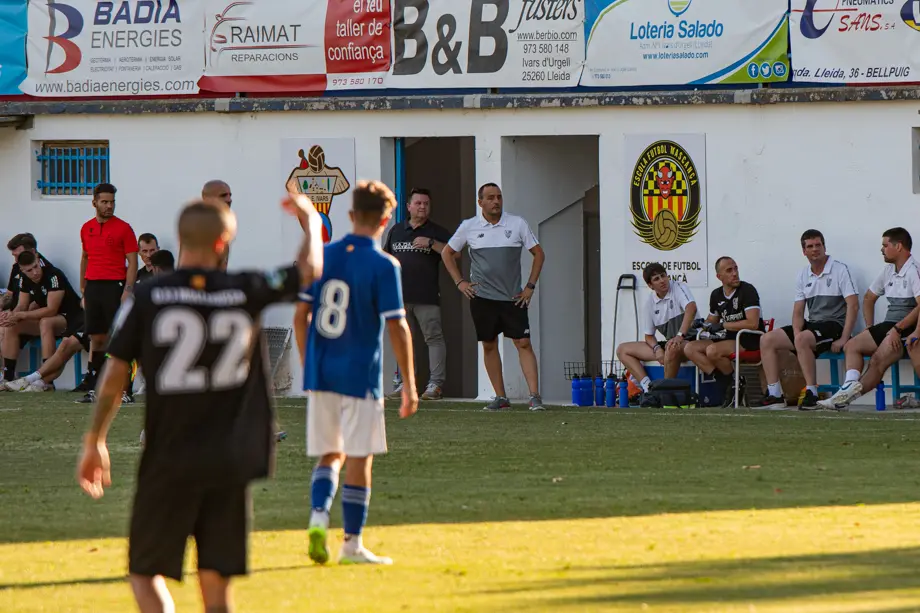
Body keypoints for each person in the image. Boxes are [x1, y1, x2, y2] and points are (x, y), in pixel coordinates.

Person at [76, 193, 324, 613]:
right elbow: (308, 270)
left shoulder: (149, 296)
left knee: (145, 571)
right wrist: (312, 222)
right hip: (230, 456)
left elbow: (115, 372)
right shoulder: (244, 288)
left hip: (170, 454)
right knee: (216, 584)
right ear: (223, 241)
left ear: (180, 237)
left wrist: (95, 438)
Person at [294, 179, 418, 566]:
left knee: (330, 454)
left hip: (322, 372)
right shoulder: (384, 264)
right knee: (360, 457)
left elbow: (301, 316)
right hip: (361, 374)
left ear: (350, 215)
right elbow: (397, 325)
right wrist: (410, 383)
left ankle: (318, 518)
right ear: (386, 220)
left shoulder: (323, 256)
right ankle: (351, 544)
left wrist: (307, 361)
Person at [441, 183, 546, 412]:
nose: (496, 201)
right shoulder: (469, 226)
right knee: (489, 344)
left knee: (523, 343)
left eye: (498, 197)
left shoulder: (517, 223)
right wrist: (460, 283)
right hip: (483, 298)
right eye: (490, 198)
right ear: (480, 202)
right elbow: (447, 253)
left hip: (513, 297)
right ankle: (500, 397)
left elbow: (539, 254)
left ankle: (535, 396)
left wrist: (529, 287)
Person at [819, 228, 920, 410]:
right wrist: (869, 326)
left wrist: (898, 329)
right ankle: (847, 388)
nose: (882, 249)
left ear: (898, 247)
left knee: (876, 361)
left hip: (907, 327)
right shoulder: (889, 270)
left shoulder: (914, 270)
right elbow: (868, 298)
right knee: (852, 345)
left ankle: (843, 399)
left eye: (885, 245)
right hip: (890, 325)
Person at [759, 230, 859, 410]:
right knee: (767, 339)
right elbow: (798, 312)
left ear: (824, 247)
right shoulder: (802, 274)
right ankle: (775, 394)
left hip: (834, 325)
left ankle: (811, 392)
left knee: (803, 338)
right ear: (804, 251)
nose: (815, 250)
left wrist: (844, 338)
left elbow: (853, 306)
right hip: (812, 325)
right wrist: (797, 334)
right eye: (810, 246)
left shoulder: (840, 269)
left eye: (818, 245)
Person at [383, 188, 452, 400]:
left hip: (427, 296)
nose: (422, 207)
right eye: (418, 203)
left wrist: (431, 243)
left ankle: (435, 385)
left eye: (426, 204)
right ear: (408, 206)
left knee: (434, 338)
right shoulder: (396, 230)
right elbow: (385, 259)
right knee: (404, 340)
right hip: (399, 297)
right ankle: (406, 384)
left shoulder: (436, 231)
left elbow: (454, 254)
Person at [77, 183, 138, 404]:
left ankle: (125, 389)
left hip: (115, 286)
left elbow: (132, 261)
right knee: (97, 338)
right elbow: (85, 257)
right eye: (104, 202)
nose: (109, 206)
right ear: (94, 202)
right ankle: (95, 387)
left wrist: (128, 289)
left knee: (120, 337)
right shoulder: (86, 228)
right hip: (93, 286)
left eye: (112, 202)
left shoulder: (124, 228)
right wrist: (83, 287)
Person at [682, 257, 764, 407]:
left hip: (748, 338)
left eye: (736, 268)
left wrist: (722, 325)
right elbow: (712, 320)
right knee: (689, 347)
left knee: (712, 350)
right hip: (728, 338)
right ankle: (730, 382)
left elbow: (753, 323)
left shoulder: (747, 290)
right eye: (729, 270)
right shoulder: (716, 295)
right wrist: (701, 325)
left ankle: (732, 384)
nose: (735, 273)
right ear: (719, 277)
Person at [0, 250, 82, 383]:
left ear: (38, 261)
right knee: (11, 325)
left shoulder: (53, 275)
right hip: (50, 320)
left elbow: (51, 309)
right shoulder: (23, 278)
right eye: (29, 270)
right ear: (22, 270)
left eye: (35, 267)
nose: (35, 272)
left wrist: (21, 314)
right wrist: (11, 316)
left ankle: (46, 379)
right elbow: (22, 305)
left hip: (71, 319)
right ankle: (7, 378)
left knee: (46, 322)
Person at [615, 262, 698, 393]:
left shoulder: (678, 287)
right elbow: (648, 335)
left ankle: (664, 393)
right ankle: (648, 388)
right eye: (656, 279)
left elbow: (691, 308)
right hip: (671, 343)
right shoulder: (649, 303)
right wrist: (657, 348)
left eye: (663, 276)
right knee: (622, 349)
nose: (662, 281)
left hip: (690, 342)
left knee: (671, 348)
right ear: (650, 285)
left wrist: (679, 335)